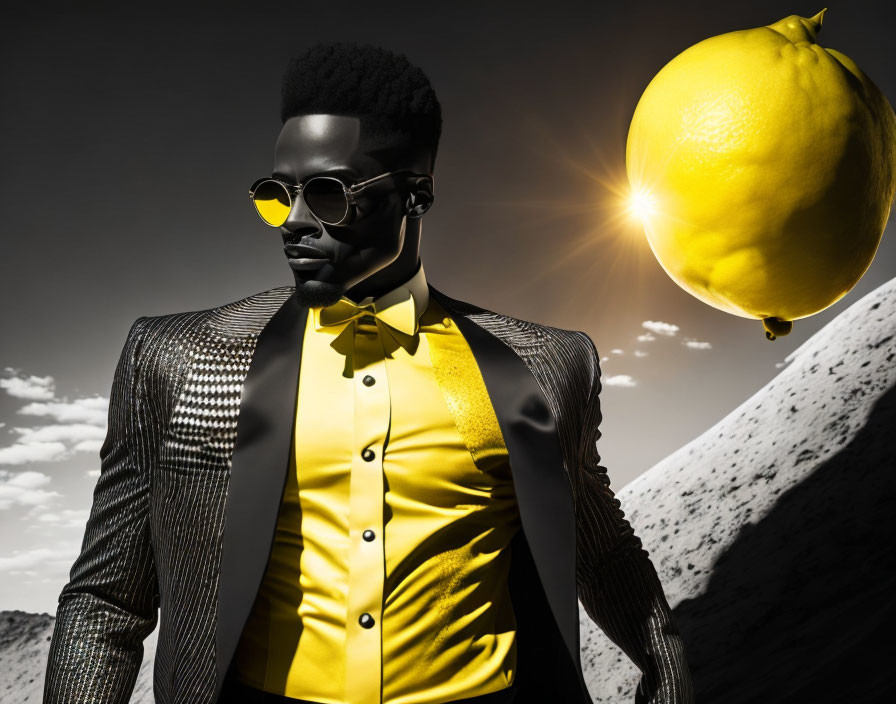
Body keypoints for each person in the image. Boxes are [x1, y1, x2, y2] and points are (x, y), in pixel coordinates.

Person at [43, 40, 694, 704]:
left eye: (327, 194)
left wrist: (666, 672)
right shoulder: (177, 361)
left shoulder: (545, 367)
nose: (294, 223)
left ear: (416, 197)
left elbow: (602, 551)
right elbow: (106, 600)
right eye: (277, 195)